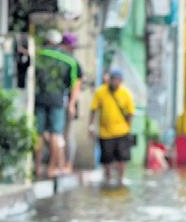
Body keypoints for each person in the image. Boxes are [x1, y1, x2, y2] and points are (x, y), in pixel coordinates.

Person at [34, 29, 81, 179]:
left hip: (39, 98)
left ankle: (36, 167)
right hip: (57, 101)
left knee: (38, 133)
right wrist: (72, 104)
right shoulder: (70, 61)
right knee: (56, 134)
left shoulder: (38, 54)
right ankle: (51, 168)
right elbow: (75, 85)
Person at [88, 69, 136, 188]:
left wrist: (128, 127)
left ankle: (121, 179)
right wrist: (91, 125)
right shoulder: (101, 92)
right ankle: (108, 179)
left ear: (120, 81)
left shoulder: (126, 93)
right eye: (112, 79)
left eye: (116, 79)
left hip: (122, 131)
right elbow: (93, 109)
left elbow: (130, 112)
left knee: (121, 158)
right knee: (106, 158)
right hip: (105, 132)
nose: (114, 82)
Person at [59, 33, 84, 174]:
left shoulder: (73, 63)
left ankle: (68, 164)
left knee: (67, 134)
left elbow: (77, 85)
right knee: (58, 134)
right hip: (57, 101)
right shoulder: (59, 60)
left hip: (68, 103)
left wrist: (71, 104)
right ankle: (61, 162)